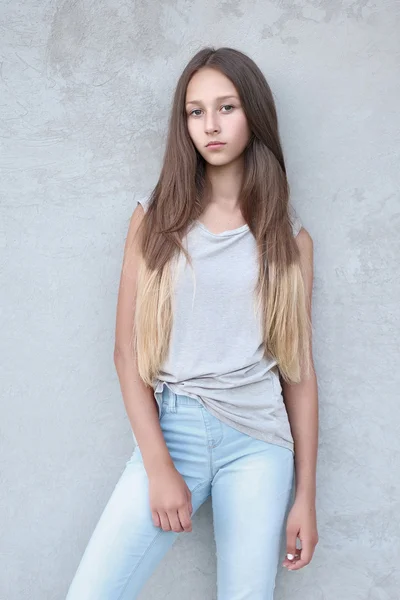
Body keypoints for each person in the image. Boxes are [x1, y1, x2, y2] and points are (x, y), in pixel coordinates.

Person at [66, 46, 319, 600]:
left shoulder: (289, 239)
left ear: (253, 114)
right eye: (195, 111)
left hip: (259, 442)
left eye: (226, 107)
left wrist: (305, 496)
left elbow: (297, 372)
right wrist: (158, 466)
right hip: (174, 427)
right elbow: (125, 352)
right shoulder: (155, 217)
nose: (210, 125)